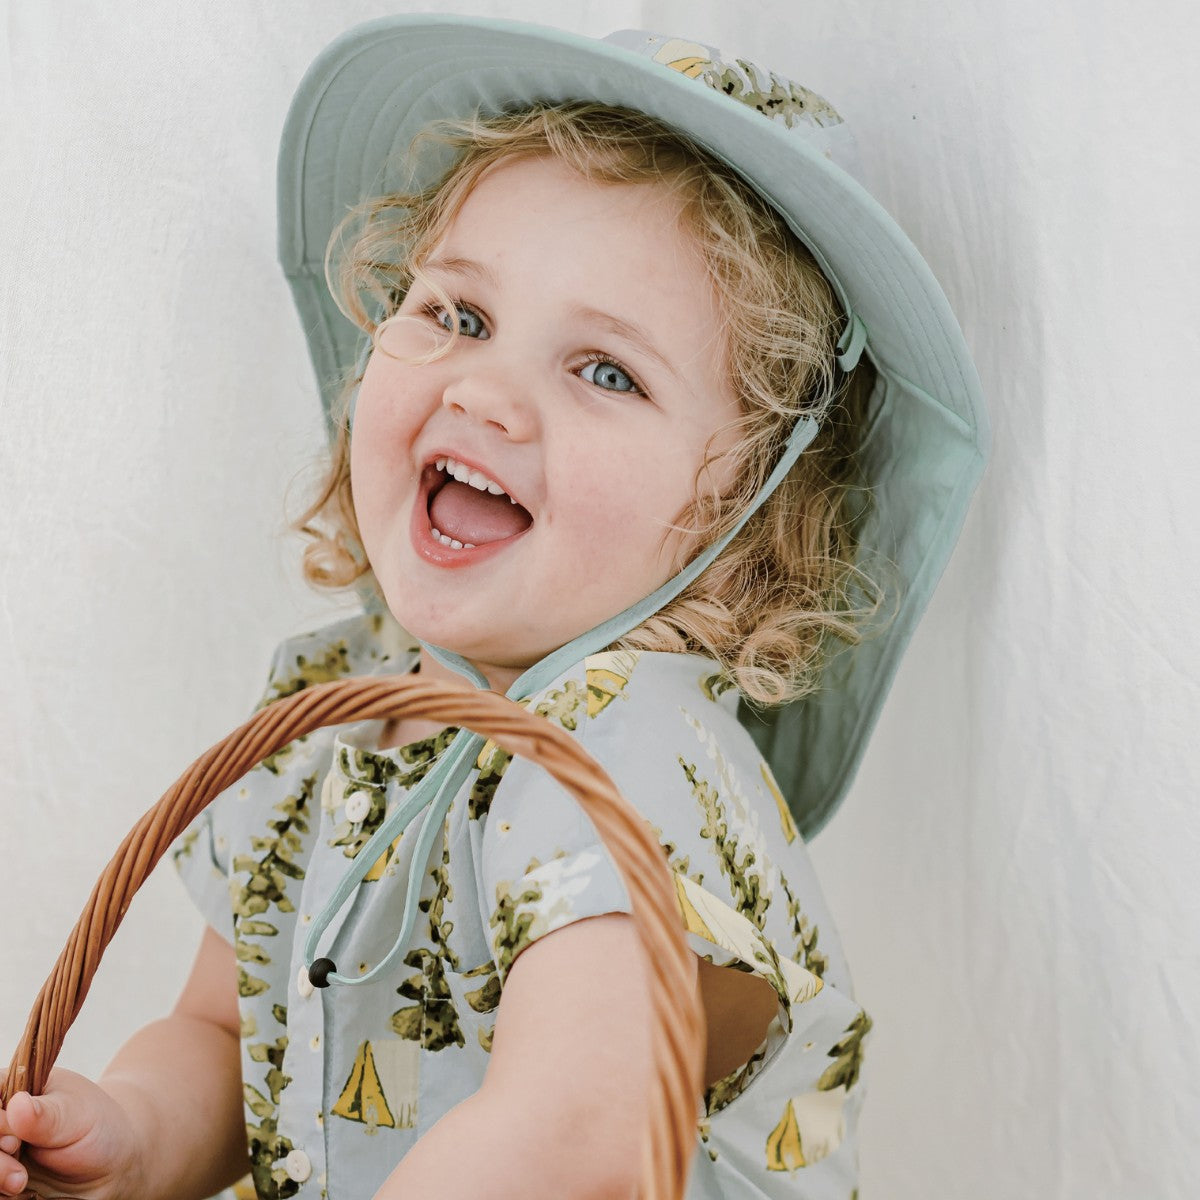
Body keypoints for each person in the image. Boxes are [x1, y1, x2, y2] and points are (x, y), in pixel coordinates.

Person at [0, 17, 988, 1200]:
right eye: (457, 317)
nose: (486, 389)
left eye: (605, 371)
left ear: (744, 518)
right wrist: (133, 1135)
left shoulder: (638, 759)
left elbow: (565, 1139)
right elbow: (221, 1033)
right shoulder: (332, 708)